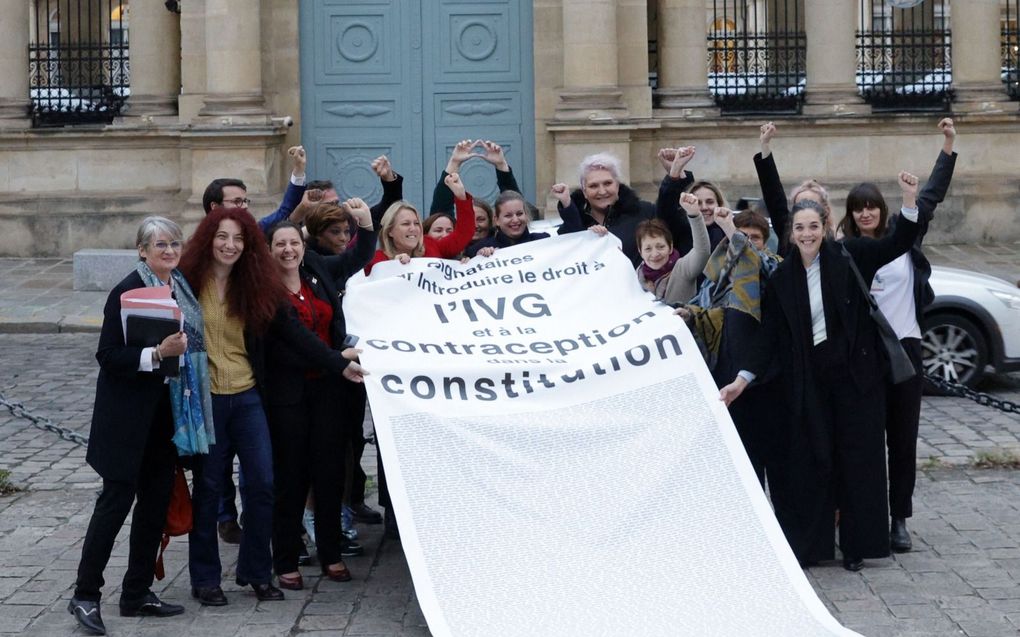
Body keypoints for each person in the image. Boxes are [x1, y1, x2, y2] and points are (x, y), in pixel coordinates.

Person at [720, 170, 922, 571]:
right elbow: (771, 338)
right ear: (791, 233)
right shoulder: (781, 277)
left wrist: (909, 200)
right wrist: (742, 379)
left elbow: (899, 241)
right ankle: (812, 546)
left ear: (825, 226)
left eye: (814, 226)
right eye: (800, 228)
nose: (808, 234)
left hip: (855, 379)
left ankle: (858, 546)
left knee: (857, 461)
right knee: (814, 460)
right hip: (809, 382)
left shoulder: (851, 257)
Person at [179, 207, 363, 606]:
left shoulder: (255, 286)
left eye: (238, 239)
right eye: (222, 237)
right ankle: (206, 578)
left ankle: (257, 571)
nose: (230, 245)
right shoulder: (190, 283)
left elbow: (294, 331)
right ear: (208, 240)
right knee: (209, 489)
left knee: (263, 484)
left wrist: (337, 362)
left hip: (247, 395)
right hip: (208, 398)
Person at [70, 217, 203, 635]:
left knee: (153, 505)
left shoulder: (182, 287)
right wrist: (156, 353)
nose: (169, 250)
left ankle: (137, 592)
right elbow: (108, 356)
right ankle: (85, 594)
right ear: (142, 250)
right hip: (126, 420)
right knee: (114, 506)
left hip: (166, 416)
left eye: (174, 243)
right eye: (160, 245)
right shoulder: (128, 290)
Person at [836, 118, 958, 553]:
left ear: (882, 211)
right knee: (868, 441)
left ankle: (899, 518)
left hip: (905, 350)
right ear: (850, 215)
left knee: (902, 441)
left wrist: (947, 145)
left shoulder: (902, 239)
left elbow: (931, 196)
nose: (866, 213)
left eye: (871, 206)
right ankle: (864, 514)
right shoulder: (847, 252)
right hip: (866, 356)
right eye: (858, 207)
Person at [265, 208, 374, 589]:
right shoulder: (266, 292)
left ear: (303, 244)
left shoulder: (316, 272)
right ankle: (285, 559)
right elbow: (296, 338)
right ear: (269, 250)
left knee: (329, 474)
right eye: (280, 244)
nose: (288, 250)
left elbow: (357, 257)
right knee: (292, 477)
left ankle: (331, 553)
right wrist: (338, 361)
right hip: (289, 395)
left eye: (293, 242)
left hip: (328, 391)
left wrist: (366, 225)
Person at [569, 147, 696, 266]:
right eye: (593, 186)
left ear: (617, 185)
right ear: (584, 192)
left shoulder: (644, 213)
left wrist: (674, 175)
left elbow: (673, 219)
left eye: (607, 183)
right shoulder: (573, 225)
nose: (602, 191)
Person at [365, 173, 476, 274]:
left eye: (417, 223)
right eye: (405, 224)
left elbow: (463, 233)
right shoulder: (376, 260)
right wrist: (392, 267)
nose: (413, 228)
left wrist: (461, 196)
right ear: (390, 231)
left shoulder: (431, 245)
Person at [202, 145, 310, 233]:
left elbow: (284, 212)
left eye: (245, 201)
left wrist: (299, 168)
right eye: (237, 201)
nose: (245, 206)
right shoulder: (200, 246)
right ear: (215, 207)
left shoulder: (254, 232)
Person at [464, 185, 584, 257]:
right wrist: (478, 259)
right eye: (508, 215)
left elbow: (573, 235)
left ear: (526, 216)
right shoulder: (479, 250)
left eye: (519, 214)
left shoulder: (542, 240)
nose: (515, 220)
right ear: (497, 220)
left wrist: (566, 201)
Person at [634, 191, 710, 303]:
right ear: (640, 252)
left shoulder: (683, 268)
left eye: (660, 247)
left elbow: (702, 251)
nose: (655, 254)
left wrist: (694, 214)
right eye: (648, 249)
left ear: (670, 247)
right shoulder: (638, 274)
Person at [688, 180, 731, 252]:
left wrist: (729, 227)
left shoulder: (732, 231)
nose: (704, 207)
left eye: (710, 202)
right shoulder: (682, 233)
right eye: (698, 203)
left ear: (719, 204)